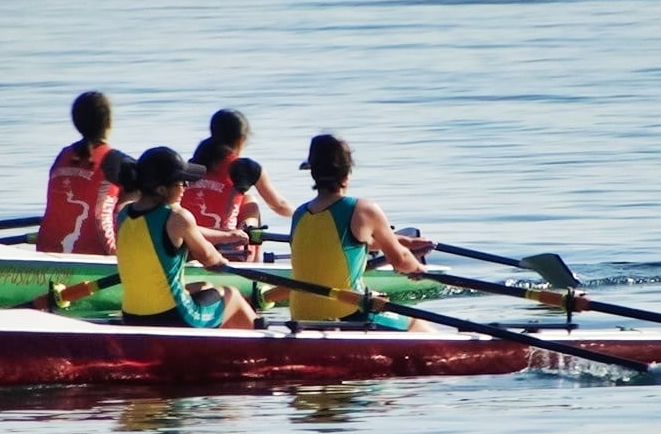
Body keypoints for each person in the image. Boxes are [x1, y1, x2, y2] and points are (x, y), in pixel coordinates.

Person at [288, 134, 436, 331]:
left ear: (313, 172)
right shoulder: (364, 208)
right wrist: (418, 268)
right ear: (347, 173)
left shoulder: (299, 214)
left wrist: (405, 242)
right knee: (418, 325)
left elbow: (344, 245)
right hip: (346, 313)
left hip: (301, 314)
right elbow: (400, 261)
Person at [115, 146, 257, 330]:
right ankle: (268, 350)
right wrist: (221, 260)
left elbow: (184, 231)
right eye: (182, 182)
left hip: (131, 317)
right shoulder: (178, 216)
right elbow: (209, 260)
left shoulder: (124, 214)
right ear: (162, 189)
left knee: (203, 286)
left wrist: (228, 236)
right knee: (232, 295)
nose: (186, 188)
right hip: (174, 317)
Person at [186, 109, 294, 261]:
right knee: (251, 202)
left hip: (189, 247)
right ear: (241, 140)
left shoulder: (190, 166)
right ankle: (253, 269)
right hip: (228, 252)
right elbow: (279, 206)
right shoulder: (246, 167)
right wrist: (304, 215)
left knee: (246, 197)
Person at [36, 91, 136, 255]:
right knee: (141, 194)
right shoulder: (116, 161)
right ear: (108, 121)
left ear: (76, 123)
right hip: (96, 255)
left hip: (46, 249)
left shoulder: (62, 156)